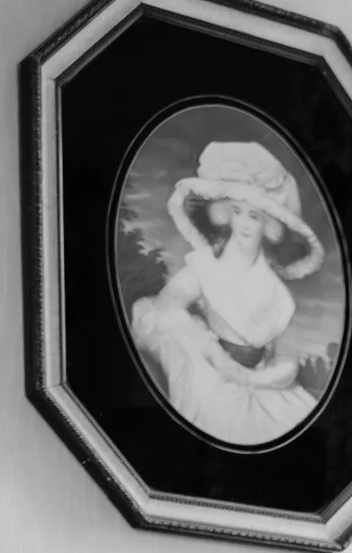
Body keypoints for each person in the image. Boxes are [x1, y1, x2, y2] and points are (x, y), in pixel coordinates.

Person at [129, 141, 327, 447]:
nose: (244, 223)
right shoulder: (206, 265)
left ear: (268, 226)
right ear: (226, 215)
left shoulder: (279, 295)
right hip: (211, 373)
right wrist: (212, 351)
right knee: (217, 418)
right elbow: (168, 305)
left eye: (254, 216)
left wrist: (252, 378)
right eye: (237, 211)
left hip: (256, 382)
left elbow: (287, 360)